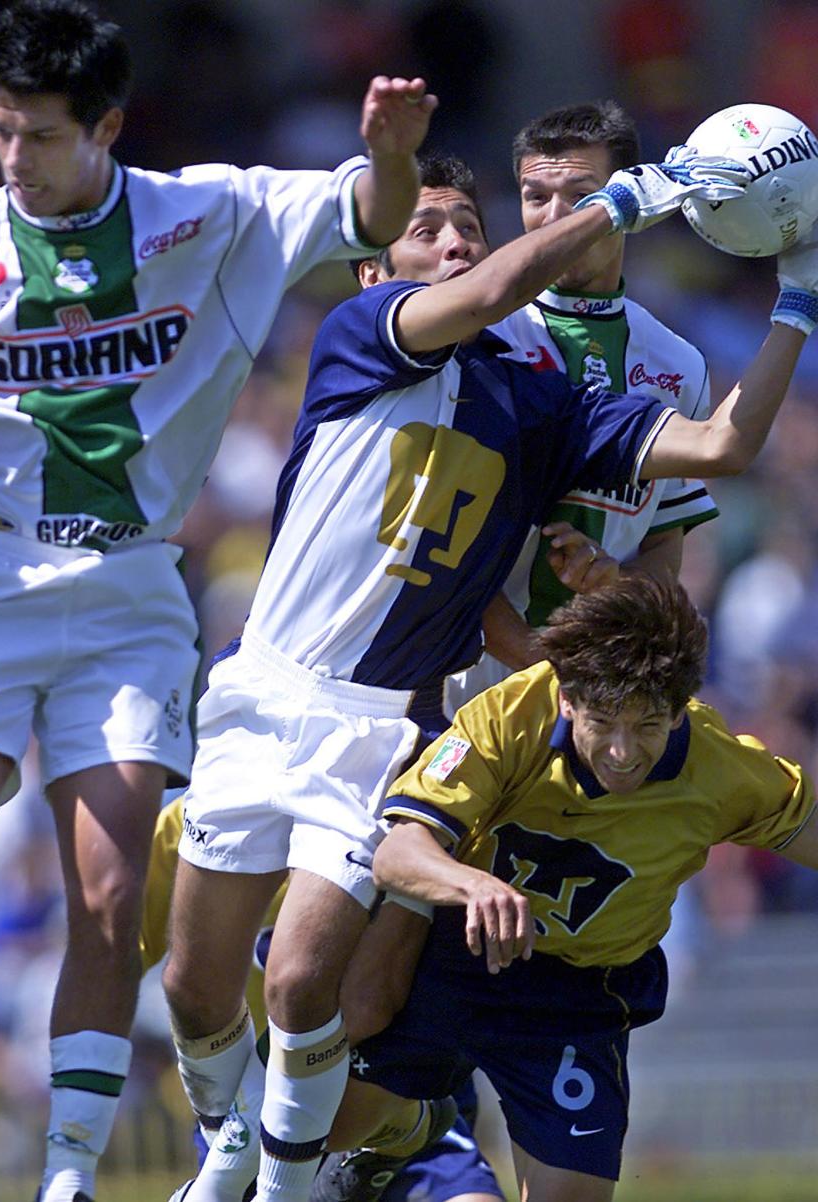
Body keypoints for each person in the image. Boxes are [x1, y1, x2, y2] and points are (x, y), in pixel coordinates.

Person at [161, 141, 818, 1202]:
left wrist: (801, 301)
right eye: (429, 229)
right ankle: (236, 1140)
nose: (458, 242)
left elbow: (726, 444)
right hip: (262, 690)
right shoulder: (362, 336)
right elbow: (507, 284)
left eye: (468, 226)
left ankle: (285, 1183)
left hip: (381, 720)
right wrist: (619, 203)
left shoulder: (541, 404)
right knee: (195, 987)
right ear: (375, 267)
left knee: (301, 982)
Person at [0, 0, 437, 1197]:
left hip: (129, 595)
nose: (12, 155)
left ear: (109, 125)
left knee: (113, 892)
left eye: (39, 134)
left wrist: (389, 158)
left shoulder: (210, 214)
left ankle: (71, 1177)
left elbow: (365, 218)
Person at [327, 574, 818, 1202]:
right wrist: (473, 886)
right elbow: (400, 852)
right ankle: (414, 1129)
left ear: (679, 708)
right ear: (567, 700)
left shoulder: (725, 769)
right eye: (603, 721)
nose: (621, 751)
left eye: (648, 725)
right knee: (328, 1120)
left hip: (578, 995)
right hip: (456, 954)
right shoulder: (508, 717)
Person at [448, 100, 718, 711]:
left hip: (591, 696)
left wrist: (615, 587)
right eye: (534, 196)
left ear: (630, 202)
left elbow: (661, 544)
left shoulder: (679, 364)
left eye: (580, 194)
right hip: (463, 678)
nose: (553, 217)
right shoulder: (478, 333)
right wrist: (550, 672)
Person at [141, 799, 507, 1202]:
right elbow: (126, 953)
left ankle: (406, 1127)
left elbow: (371, 997)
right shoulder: (198, 815)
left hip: (386, 1079)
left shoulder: (402, 804)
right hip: (250, 1105)